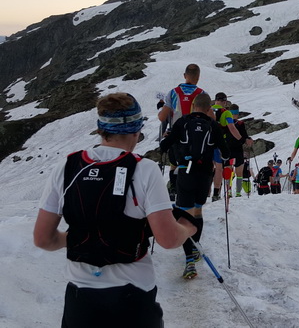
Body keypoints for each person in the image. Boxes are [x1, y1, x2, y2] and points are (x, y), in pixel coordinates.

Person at [33, 92, 197, 328]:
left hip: (80, 299)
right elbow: (169, 239)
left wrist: (85, 238)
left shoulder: (67, 166)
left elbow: (43, 239)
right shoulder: (145, 170)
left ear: (101, 128)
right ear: (136, 129)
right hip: (133, 296)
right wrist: (188, 227)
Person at [160, 92, 228, 279]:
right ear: (208, 109)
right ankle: (196, 249)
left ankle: (189, 260)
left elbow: (164, 146)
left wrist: (168, 138)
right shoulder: (213, 125)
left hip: (185, 172)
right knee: (197, 211)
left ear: (193, 107)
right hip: (205, 174)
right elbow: (225, 153)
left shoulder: (181, 122)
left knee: (185, 215)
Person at [157, 64, 206, 200]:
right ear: (198, 77)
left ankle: (173, 188)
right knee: (192, 162)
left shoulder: (173, 93)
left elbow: (162, 117)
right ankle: (189, 190)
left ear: (185, 76)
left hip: (175, 134)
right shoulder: (202, 94)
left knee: (174, 162)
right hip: (195, 135)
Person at [211, 92, 243, 201]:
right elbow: (232, 128)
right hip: (219, 144)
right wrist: (241, 139)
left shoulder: (208, 110)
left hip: (206, 144)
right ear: (224, 102)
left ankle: (205, 191)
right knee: (219, 169)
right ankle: (216, 193)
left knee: (207, 167)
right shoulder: (226, 113)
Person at [226, 104, 253, 198]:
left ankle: (229, 191)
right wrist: (247, 139)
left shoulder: (226, 122)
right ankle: (237, 192)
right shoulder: (239, 123)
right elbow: (244, 135)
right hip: (237, 149)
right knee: (239, 172)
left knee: (229, 171)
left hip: (229, 148)